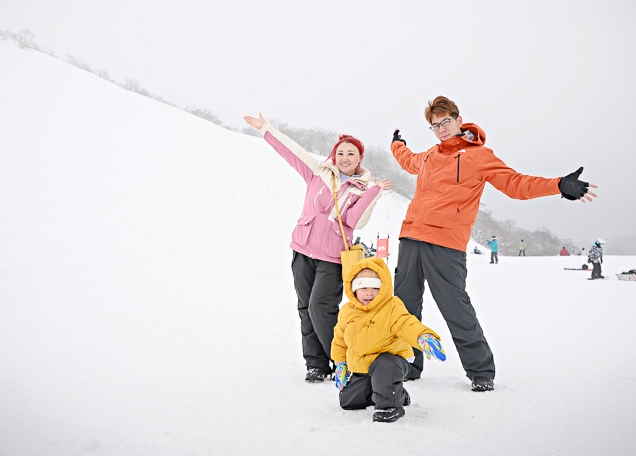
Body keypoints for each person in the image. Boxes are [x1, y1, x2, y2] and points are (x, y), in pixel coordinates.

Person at [390, 95, 596, 392]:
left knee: (455, 306)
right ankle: (408, 364)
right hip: (411, 237)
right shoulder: (428, 156)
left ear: (459, 120)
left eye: (446, 122)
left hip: (446, 242)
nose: (442, 129)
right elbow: (406, 160)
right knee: (405, 305)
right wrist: (397, 144)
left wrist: (558, 185)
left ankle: (480, 371)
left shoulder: (479, 156)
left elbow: (516, 184)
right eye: (435, 126)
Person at [243, 113, 391, 383]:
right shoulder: (318, 172)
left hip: (332, 258)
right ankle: (316, 365)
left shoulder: (362, 189)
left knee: (320, 307)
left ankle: (342, 360)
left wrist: (372, 193)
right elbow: (291, 151)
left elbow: (354, 221)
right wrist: (266, 128)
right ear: (334, 156)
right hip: (302, 249)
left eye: (351, 154)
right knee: (305, 307)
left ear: (360, 159)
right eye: (341, 152)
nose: (345, 157)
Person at [332, 257, 446, 423]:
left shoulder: (392, 306)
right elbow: (340, 339)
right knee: (349, 402)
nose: (369, 293)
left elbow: (406, 323)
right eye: (363, 287)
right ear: (353, 289)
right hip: (363, 365)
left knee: (384, 365)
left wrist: (422, 336)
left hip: (392, 362)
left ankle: (390, 405)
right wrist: (341, 363)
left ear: (383, 288)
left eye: (375, 287)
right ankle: (394, 391)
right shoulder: (347, 311)